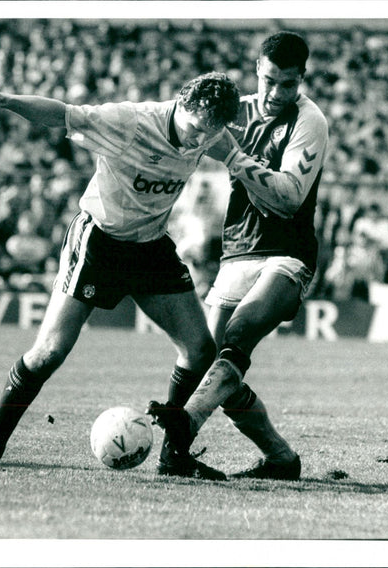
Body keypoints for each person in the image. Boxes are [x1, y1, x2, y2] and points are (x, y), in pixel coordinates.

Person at [0, 71, 241, 478]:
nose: (200, 140)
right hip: (100, 241)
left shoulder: (210, 132)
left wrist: (252, 163)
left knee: (200, 350)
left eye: (210, 133)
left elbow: (228, 146)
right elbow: (62, 114)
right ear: (180, 102)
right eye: (197, 129)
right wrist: (6, 100)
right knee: (49, 352)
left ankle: (174, 458)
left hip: (150, 246)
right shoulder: (130, 121)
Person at [147, 31, 329, 481]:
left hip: (287, 255)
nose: (275, 93)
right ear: (256, 71)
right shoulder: (237, 111)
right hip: (237, 253)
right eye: (268, 81)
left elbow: (288, 198)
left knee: (240, 333)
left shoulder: (310, 121)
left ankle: (185, 423)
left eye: (287, 84)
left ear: (301, 79)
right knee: (211, 361)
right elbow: (174, 127)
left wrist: (232, 155)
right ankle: (280, 459)